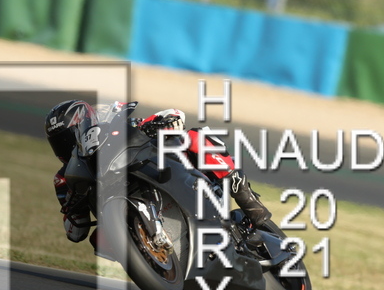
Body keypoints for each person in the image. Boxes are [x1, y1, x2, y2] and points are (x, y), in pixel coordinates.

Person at [44, 99, 271, 248]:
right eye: (59, 142)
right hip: (123, 214)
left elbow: (174, 115)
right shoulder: (65, 179)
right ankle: (151, 252)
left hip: (164, 172)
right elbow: (76, 233)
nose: (67, 145)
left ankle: (246, 198)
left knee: (194, 136)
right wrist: (73, 206)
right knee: (99, 239)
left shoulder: (114, 124)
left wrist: (160, 123)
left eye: (70, 136)